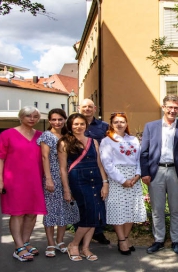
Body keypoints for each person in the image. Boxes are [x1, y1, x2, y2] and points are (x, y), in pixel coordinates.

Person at [140, 94, 178, 256]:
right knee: (157, 209)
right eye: (170, 107)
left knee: (176, 209)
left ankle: (176, 241)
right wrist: (145, 172)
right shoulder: (151, 126)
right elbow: (144, 152)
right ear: (163, 108)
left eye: (176, 108)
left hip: (176, 172)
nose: (173, 110)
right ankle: (159, 240)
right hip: (156, 171)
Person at [0, 106, 46, 262]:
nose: (32, 119)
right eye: (28, 116)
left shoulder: (41, 136)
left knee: (32, 213)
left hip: (35, 180)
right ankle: (18, 247)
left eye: (35, 116)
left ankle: (26, 242)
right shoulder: (7, 134)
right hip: (14, 180)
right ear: (21, 117)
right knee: (17, 213)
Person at [58, 113, 109, 262]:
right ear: (70, 126)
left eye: (81, 124)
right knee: (88, 213)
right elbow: (62, 168)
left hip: (96, 179)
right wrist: (66, 189)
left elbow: (100, 164)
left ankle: (86, 248)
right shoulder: (64, 142)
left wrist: (105, 183)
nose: (78, 126)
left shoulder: (93, 142)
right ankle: (74, 244)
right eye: (75, 124)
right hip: (78, 180)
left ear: (86, 125)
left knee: (95, 214)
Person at [100, 112, 147, 256]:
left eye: (122, 121)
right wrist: (122, 180)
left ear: (126, 123)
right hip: (117, 178)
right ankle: (121, 240)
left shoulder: (133, 139)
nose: (119, 124)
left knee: (131, 210)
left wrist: (137, 175)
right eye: (116, 122)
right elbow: (107, 164)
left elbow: (139, 159)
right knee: (118, 210)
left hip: (133, 177)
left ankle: (126, 238)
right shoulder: (107, 141)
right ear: (111, 124)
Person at [37, 109, 80, 258]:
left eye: (60, 119)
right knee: (51, 211)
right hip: (53, 176)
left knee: (64, 209)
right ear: (49, 121)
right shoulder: (47, 135)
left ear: (64, 120)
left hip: (68, 175)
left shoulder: (67, 136)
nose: (57, 122)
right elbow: (45, 157)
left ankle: (60, 241)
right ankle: (50, 243)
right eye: (54, 119)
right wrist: (48, 178)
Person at [78, 98, 110, 244]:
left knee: (98, 200)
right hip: (78, 167)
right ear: (80, 108)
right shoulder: (74, 124)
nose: (87, 109)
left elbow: (111, 144)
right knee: (81, 200)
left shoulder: (104, 126)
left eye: (90, 107)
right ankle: (80, 230)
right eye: (84, 106)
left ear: (95, 108)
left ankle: (98, 232)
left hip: (98, 167)